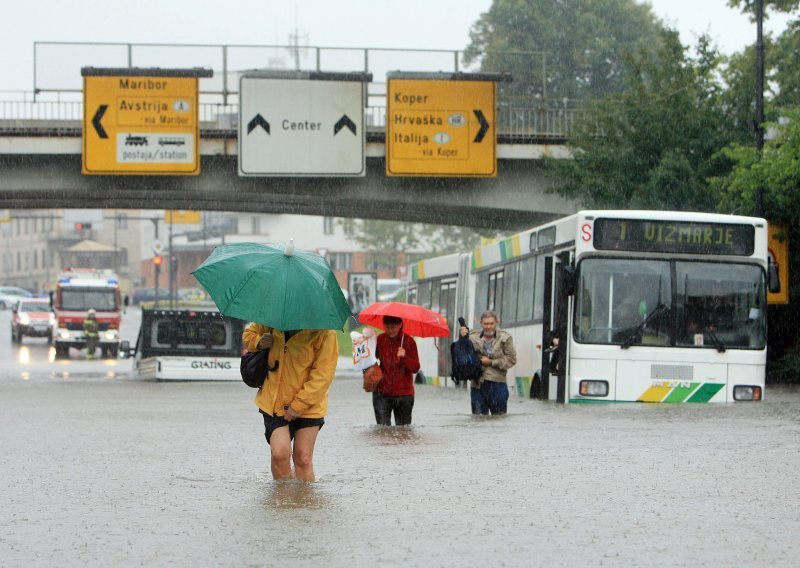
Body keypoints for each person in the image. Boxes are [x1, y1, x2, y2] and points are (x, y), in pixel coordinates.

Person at [242, 323, 338, 482]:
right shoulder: (273, 315)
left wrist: (298, 405)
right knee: (280, 454)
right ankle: (282, 501)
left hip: (310, 404)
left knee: (303, 458)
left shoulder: (325, 330)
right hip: (274, 400)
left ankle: (303, 503)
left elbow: (323, 374)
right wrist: (258, 341)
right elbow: (248, 335)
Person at [459, 310, 517, 415]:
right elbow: (463, 356)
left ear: (496, 322)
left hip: (498, 386)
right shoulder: (472, 336)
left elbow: (512, 359)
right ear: (481, 323)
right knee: (478, 420)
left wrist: (491, 362)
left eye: (491, 323)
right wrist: (462, 339)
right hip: (478, 386)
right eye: (485, 324)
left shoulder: (505, 338)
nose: (488, 326)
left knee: (499, 421)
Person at [373, 315, 420, 426]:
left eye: (393, 327)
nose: (390, 330)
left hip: (404, 395)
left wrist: (404, 357)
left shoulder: (409, 341)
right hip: (382, 393)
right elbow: (369, 361)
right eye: (387, 327)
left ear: (400, 325)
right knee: (382, 431)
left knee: (403, 432)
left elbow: (416, 367)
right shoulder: (379, 340)